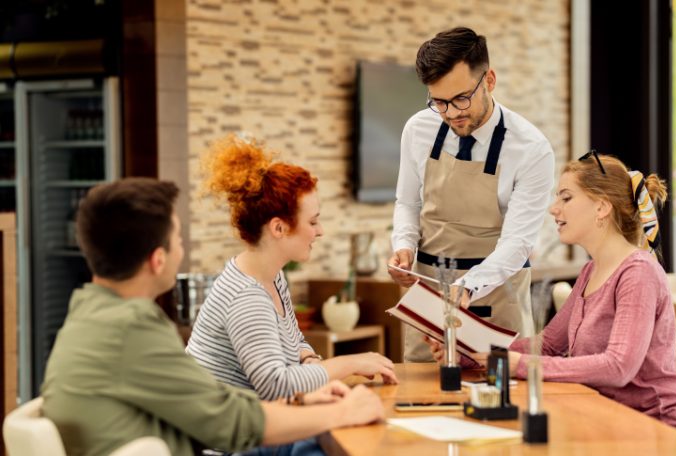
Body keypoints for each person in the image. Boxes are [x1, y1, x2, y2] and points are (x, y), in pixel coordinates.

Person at [40, 178, 385, 456]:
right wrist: (342, 412)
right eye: (178, 240)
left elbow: (211, 401)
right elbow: (231, 424)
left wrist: (302, 399)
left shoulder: (89, 312)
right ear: (158, 260)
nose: (183, 250)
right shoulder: (132, 328)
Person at [428, 153, 676, 435]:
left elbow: (619, 366)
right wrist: (468, 354)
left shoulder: (638, 272)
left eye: (566, 198)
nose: (553, 209)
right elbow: (548, 345)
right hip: (610, 420)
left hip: (661, 430)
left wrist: (524, 365)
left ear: (601, 207)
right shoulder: (591, 271)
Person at [186, 135, 397, 403]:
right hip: (234, 443)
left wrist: (310, 359)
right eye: (312, 222)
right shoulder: (246, 297)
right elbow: (276, 385)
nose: (320, 231)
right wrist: (349, 364)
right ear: (278, 228)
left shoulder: (272, 277)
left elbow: (292, 341)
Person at [388, 26, 555, 362]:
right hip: (430, 296)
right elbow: (408, 202)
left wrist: (468, 285)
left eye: (461, 98)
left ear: (489, 80)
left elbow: (517, 242)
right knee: (421, 398)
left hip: (499, 295)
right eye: (439, 102)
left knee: (501, 398)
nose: (451, 113)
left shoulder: (531, 149)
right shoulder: (418, 129)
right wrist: (403, 246)